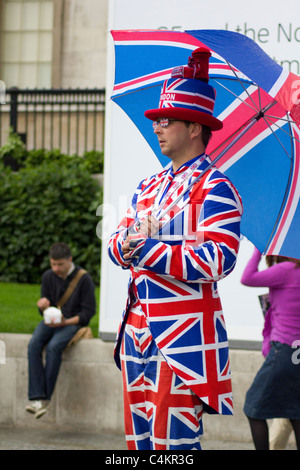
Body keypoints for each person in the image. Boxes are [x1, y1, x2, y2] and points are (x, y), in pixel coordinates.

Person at [108, 47, 243, 450]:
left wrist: (148, 248)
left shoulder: (217, 188)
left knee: (174, 446)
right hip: (135, 333)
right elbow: (117, 247)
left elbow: (220, 259)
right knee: (140, 445)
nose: (157, 127)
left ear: (195, 127)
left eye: (166, 120)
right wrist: (131, 242)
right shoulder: (147, 186)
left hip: (182, 342)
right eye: (157, 120)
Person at [26, 242, 96, 418]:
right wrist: (42, 306)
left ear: (69, 260)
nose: (56, 268)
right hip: (51, 321)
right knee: (33, 344)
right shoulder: (48, 276)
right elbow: (44, 306)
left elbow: (88, 313)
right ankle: (36, 397)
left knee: (54, 346)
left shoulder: (84, 279)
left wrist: (65, 322)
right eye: (53, 264)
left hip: (72, 322)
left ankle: (44, 400)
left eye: (60, 264)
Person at [241, 247, 300, 450]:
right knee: (296, 412)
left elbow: (247, 278)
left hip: (283, 351)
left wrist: (259, 248)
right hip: (296, 353)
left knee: (253, 407)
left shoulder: (286, 270)